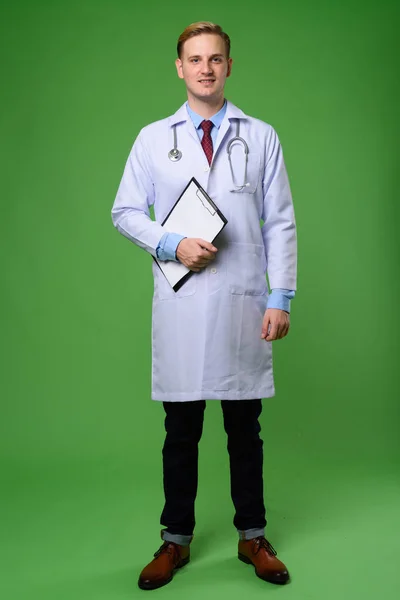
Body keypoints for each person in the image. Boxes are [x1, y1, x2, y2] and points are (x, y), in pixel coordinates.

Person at [111, 21, 297, 590]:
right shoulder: (152, 139)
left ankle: (252, 537)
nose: (206, 68)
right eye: (195, 59)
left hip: (243, 299)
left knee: (245, 428)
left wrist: (280, 295)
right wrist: (171, 243)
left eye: (216, 58)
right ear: (180, 68)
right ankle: (175, 542)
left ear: (229, 66)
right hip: (184, 303)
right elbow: (124, 212)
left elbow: (281, 219)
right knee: (181, 430)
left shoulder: (259, 135)